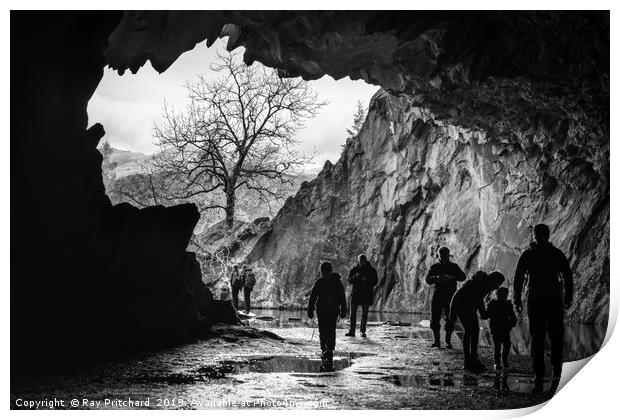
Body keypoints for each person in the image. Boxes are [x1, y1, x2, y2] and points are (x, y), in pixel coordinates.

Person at [513, 223, 573, 393]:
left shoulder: (529, 255)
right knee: (555, 337)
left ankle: (539, 375)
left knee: (537, 337)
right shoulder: (555, 254)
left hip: (537, 299)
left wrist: (517, 299)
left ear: (535, 235)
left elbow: (518, 279)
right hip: (552, 299)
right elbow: (567, 276)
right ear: (548, 234)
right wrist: (568, 296)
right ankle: (555, 372)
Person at [449, 271, 505, 372]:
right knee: (470, 331)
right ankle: (468, 360)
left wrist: (483, 313)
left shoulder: (483, 285)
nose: (497, 287)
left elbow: (479, 299)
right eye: (498, 284)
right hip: (463, 306)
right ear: (493, 281)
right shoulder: (480, 285)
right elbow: (457, 296)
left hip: (468, 306)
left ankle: (472, 359)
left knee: (474, 331)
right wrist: (451, 315)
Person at [307, 261, 347, 372]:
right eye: (323, 273)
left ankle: (329, 349)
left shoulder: (336, 282)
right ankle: (323, 348)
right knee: (323, 331)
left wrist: (344, 309)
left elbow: (342, 297)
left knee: (331, 331)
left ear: (330, 271)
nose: (325, 275)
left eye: (326, 272)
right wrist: (310, 309)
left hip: (333, 310)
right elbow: (313, 297)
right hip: (322, 311)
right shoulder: (319, 282)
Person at [425, 247, 466, 348]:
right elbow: (427, 280)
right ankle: (437, 341)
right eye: (441, 254)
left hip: (450, 296)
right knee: (435, 318)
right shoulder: (434, 267)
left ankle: (447, 342)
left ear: (448, 255)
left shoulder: (454, 266)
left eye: (445, 255)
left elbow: (463, 277)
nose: (443, 256)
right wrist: (437, 278)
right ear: (438, 255)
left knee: (450, 318)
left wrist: (453, 277)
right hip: (438, 295)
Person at [345, 254, 378, 338]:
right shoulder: (354, 270)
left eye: (363, 262)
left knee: (364, 314)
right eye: (360, 262)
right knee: (352, 314)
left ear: (365, 261)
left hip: (366, 295)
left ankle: (362, 331)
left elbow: (375, 282)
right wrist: (356, 277)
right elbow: (349, 280)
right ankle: (352, 331)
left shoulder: (371, 270)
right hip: (355, 294)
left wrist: (367, 279)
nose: (361, 264)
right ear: (358, 261)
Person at [486, 287, 517, 371]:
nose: (503, 297)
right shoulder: (492, 304)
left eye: (504, 296)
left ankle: (504, 357)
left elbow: (512, 315)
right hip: (496, 328)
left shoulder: (507, 304)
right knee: (497, 346)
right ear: (496, 295)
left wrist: (513, 322)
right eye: (501, 295)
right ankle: (497, 362)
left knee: (507, 344)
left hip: (505, 328)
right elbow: (487, 315)